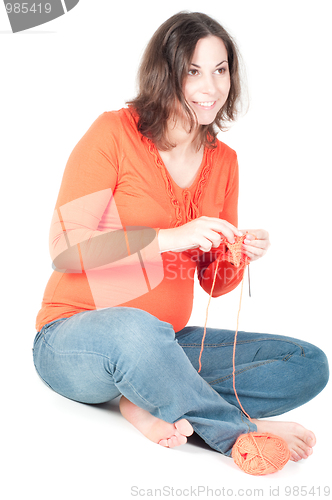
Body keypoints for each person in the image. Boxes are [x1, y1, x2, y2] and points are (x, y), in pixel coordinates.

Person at [33, 11, 329, 464]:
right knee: (136, 331)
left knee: (308, 363)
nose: (210, 87)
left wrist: (238, 252)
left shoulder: (224, 161)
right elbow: (65, 251)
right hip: (76, 341)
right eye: (193, 71)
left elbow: (214, 284)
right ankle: (236, 429)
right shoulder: (113, 133)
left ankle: (150, 398)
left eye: (220, 69)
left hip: (167, 344)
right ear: (165, 72)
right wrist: (171, 238)